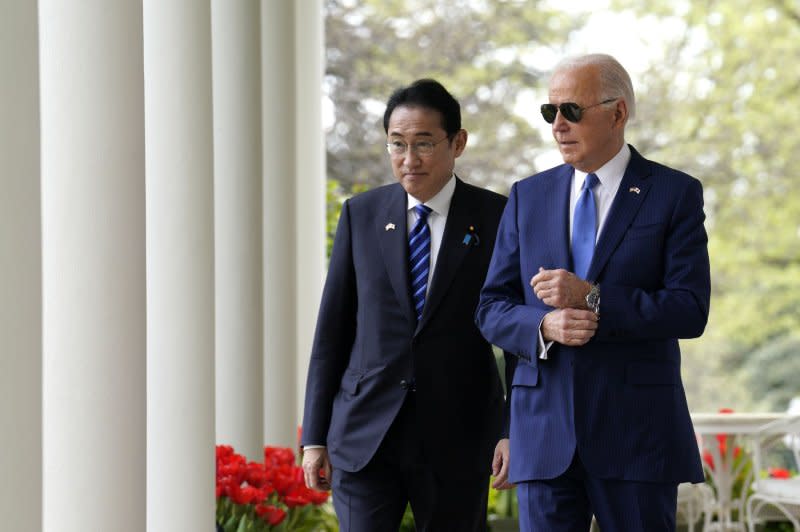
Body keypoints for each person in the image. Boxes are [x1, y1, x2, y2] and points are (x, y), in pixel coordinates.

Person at [476, 53, 710, 532]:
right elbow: (490, 308)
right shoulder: (528, 195)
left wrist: (593, 297)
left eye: (572, 111)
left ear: (618, 112)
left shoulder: (674, 193)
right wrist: (542, 325)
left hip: (636, 435)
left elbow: (690, 309)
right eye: (550, 112)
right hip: (543, 437)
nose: (558, 125)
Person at [301, 79, 507, 531]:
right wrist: (314, 436)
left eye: (424, 144)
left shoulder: (497, 217)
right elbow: (331, 332)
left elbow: (514, 333)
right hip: (365, 433)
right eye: (397, 144)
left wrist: (512, 428)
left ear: (458, 142)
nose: (408, 160)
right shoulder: (362, 214)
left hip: (457, 434)